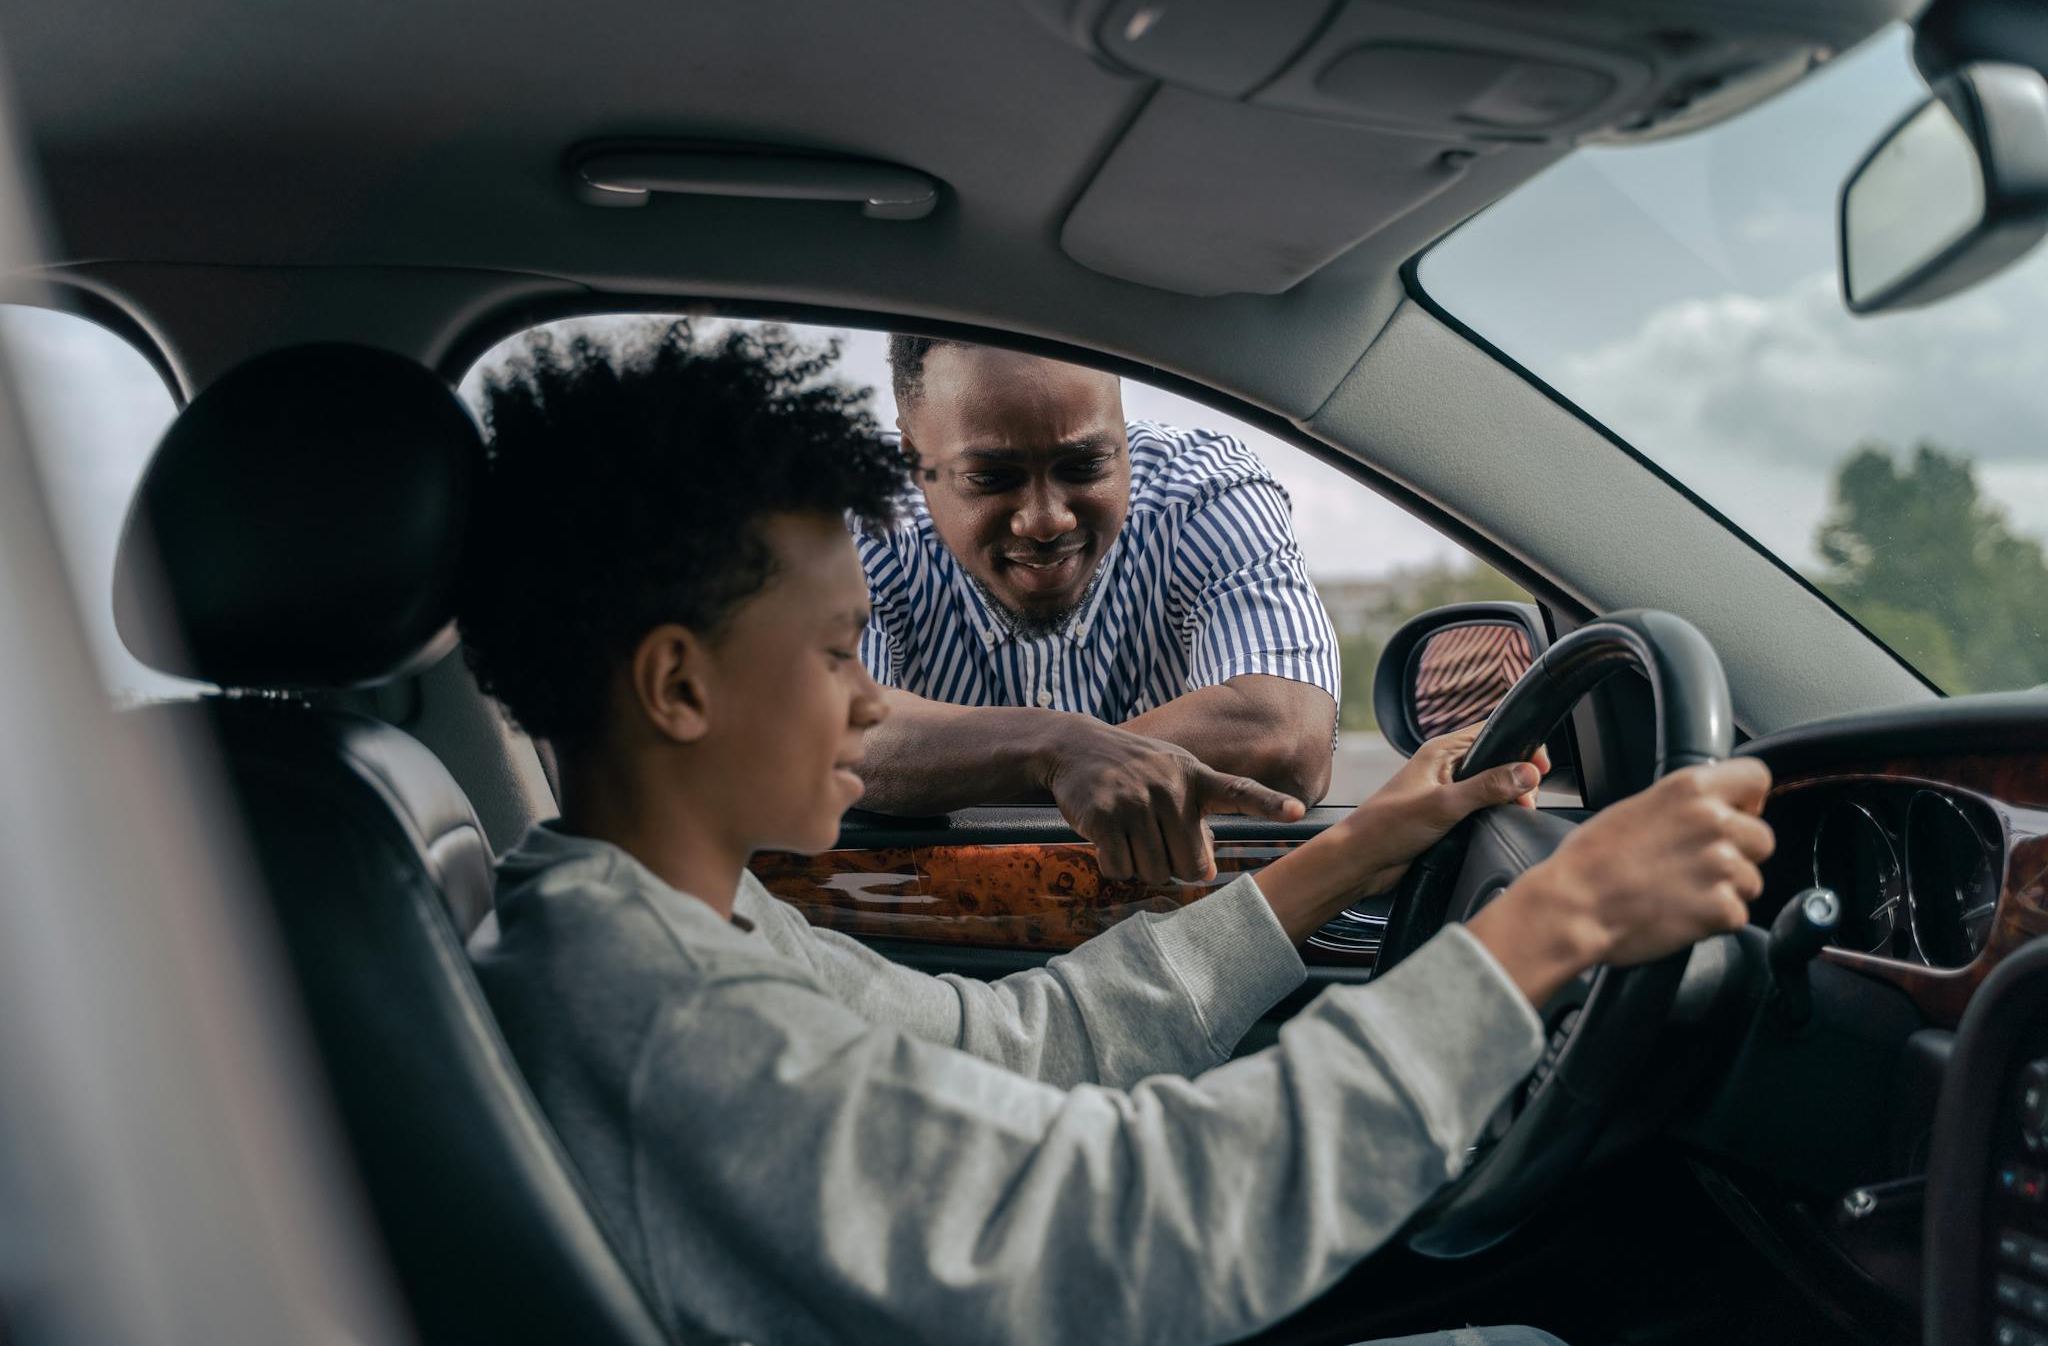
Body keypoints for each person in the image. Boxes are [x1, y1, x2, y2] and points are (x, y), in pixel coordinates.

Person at [457, 321, 1775, 1346]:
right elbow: (1117, 1226)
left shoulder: (679, 922)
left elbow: (1025, 1045)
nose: (874, 705)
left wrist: (1360, 846)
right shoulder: (659, 1007)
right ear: (680, 687)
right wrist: (1558, 923)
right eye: (838, 655)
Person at [854, 336, 1343, 881]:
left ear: (1122, 432)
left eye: (1085, 466)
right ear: (911, 454)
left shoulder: (1204, 492)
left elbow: (1284, 735)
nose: (1045, 521)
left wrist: (1047, 764)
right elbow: (825, 730)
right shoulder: (850, 510)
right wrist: (1054, 749)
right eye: (991, 478)